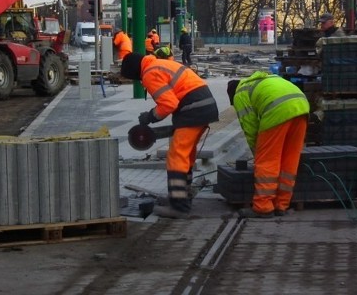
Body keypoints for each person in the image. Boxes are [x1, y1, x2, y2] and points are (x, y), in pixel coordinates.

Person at [121, 52, 219, 219]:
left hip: (193, 110)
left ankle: (179, 207)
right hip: (204, 107)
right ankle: (181, 196)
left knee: (176, 158)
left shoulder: (150, 73)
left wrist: (149, 117)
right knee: (186, 156)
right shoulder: (159, 64)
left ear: (135, 72)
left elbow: (169, 104)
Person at [227, 72, 310, 218]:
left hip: (277, 110)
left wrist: (258, 153)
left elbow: (250, 128)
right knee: (290, 158)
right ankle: (281, 204)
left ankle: (263, 206)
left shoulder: (240, 94)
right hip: (301, 106)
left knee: (267, 160)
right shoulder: (260, 81)